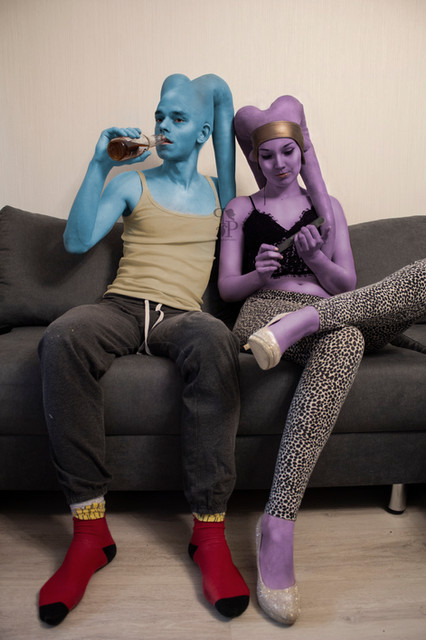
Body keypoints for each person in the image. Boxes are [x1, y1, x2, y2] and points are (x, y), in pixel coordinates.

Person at [37, 73, 250, 626]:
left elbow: (222, 101)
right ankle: (90, 532)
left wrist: (208, 92)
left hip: (184, 316)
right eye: (159, 116)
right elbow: (77, 241)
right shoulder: (133, 182)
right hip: (123, 307)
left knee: (217, 341)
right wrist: (99, 165)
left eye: (177, 118)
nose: (162, 126)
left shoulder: (223, 194)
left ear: (203, 132)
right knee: (62, 336)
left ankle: (208, 534)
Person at [218, 95, 426, 625]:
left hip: (331, 308)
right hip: (264, 314)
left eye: (289, 152)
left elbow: (347, 285)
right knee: (347, 341)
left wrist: (314, 258)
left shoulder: (328, 206)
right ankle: (278, 524)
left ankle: (307, 321)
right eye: (267, 156)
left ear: (301, 151)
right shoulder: (240, 210)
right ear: (255, 159)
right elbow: (227, 290)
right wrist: (260, 273)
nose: (280, 163)